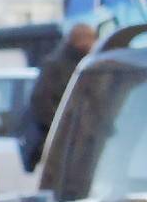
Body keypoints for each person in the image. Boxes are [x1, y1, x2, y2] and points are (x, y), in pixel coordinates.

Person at [19, 19, 99, 169]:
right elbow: (41, 102)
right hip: (60, 144)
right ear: (81, 41)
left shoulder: (82, 63)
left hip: (73, 142)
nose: (94, 44)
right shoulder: (57, 65)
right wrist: (66, 127)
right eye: (92, 39)